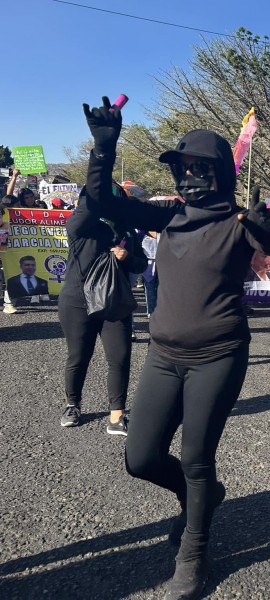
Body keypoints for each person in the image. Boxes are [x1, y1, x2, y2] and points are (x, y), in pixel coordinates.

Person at [78, 97, 270, 599]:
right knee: (141, 457)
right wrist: (104, 146)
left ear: (220, 173)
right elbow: (102, 201)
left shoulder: (238, 224)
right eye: (184, 168)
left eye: (200, 168)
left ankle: (193, 552)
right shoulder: (167, 218)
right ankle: (204, 498)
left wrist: (262, 224)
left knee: (196, 456)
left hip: (218, 356)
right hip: (164, 356)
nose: (191, 176)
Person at [58, 183, 147, 435]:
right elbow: (87, 208)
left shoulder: (127, 231)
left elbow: (140, 265)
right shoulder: (81, 225)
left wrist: (126, 256)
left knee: (119, 357)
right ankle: (72, 405)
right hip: (77, 301)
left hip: (114, 302)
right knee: (78, 356)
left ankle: (116, 415)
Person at [141, 231, 159, 317]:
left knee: (163, 286)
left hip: (164, 256)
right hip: (148, 257)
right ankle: (152, 314)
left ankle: (162, 312)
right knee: (150, 286)